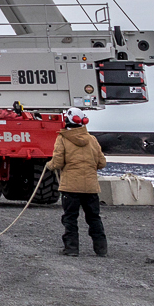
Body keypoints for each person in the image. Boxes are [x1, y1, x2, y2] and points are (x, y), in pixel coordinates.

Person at [48, 110, 108, 257]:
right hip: (91, 188)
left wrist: (49, 166)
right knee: (94, 218)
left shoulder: (62, 139)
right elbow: (102, 163)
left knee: (70, 218)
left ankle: (71, 248)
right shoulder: (92, 140)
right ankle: (101, 249)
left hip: (70, 187)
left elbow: (57, 162)